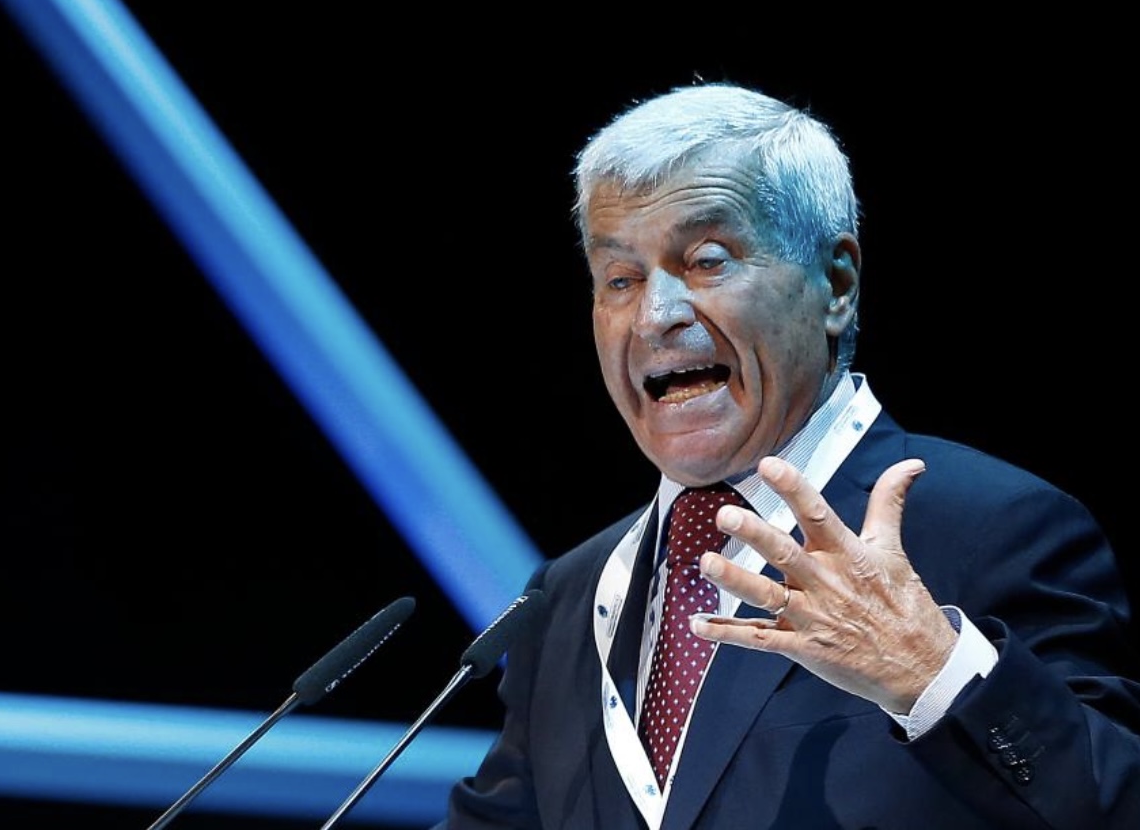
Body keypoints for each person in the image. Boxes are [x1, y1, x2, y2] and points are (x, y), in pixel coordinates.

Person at [434, 81, 1140, 829]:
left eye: (707, 260)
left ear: (836, 284)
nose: (655, 316)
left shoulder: (993, 527)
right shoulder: (568, 596)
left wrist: (935, 674)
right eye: (620, 279)